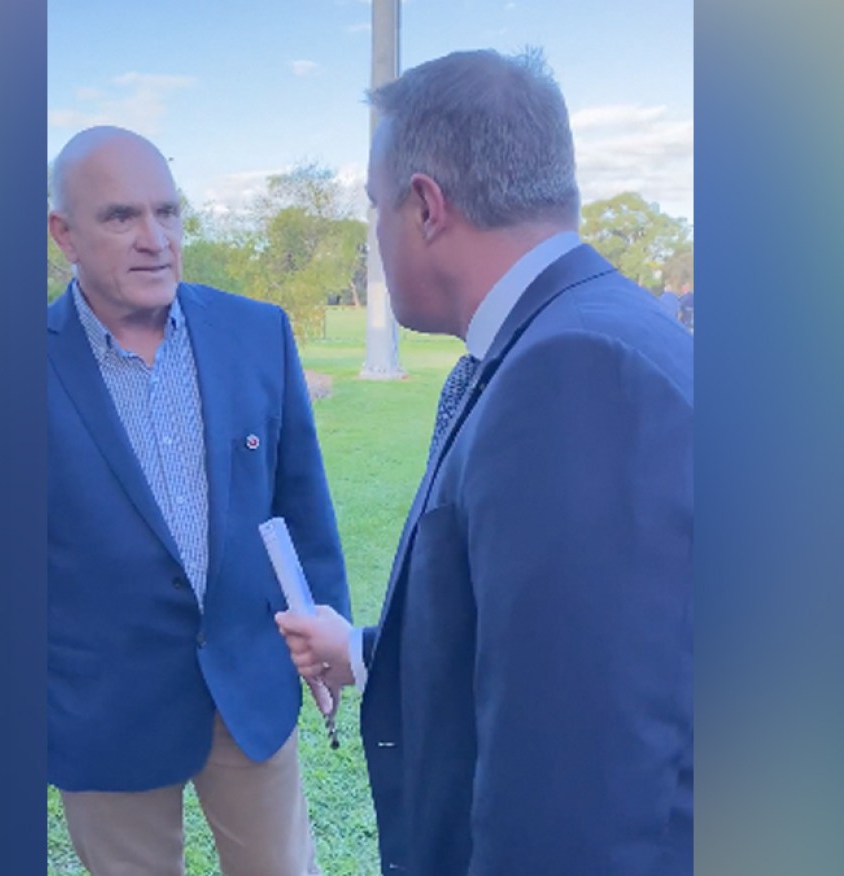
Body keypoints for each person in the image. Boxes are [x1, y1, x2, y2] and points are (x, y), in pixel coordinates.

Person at [276, 49, 693, 875]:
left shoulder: (572, 372)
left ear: (425, 206)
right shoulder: (587, 331)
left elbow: (575, 787)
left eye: (374, 208)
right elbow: (544, 649)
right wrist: (365, 652)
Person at [47, 125, 350, 876]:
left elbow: (300, 504)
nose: (154, 238)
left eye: (167, 212)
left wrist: (326, 633)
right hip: (103, 709)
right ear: (64, 234)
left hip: (248, 687)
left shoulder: (256, 333)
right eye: (121, 217)